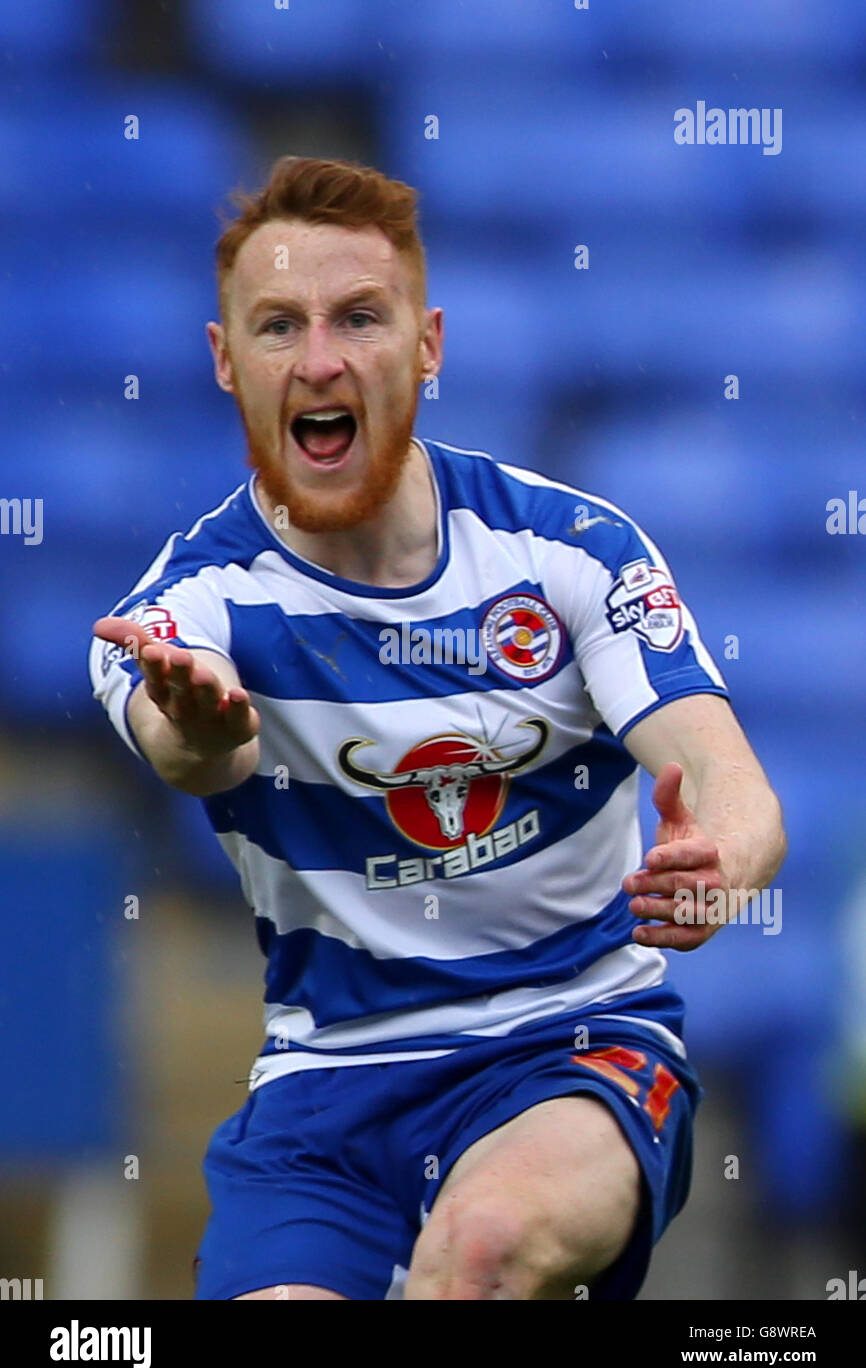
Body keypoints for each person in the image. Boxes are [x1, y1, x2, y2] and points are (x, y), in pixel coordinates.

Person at [89, 155, 786, 1301]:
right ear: (226, 363)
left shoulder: (571, 554)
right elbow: (199, 745)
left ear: (428, 344)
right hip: (326, 1093)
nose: (319, 359)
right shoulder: (184, 612)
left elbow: (729, 782)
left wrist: (722, 864)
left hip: (568, 1041)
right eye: (277, 327)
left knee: (477, 1253)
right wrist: (203, 724)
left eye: (359, 317)